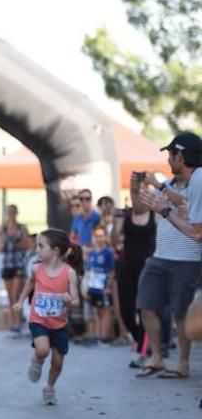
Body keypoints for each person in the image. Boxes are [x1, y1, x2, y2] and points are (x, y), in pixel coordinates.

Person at [132, 149, 202, 379]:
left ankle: (182, 364)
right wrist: (136, 189)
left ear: (181, 157)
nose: (168, 160)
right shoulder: (168, 183)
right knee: (146, 304)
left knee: (180, 311)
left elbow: (186, 203)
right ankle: (157, 358)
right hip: (160, 256)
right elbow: (140, 209)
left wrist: (161, 188)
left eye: (171, 156)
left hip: (187, 258)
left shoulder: (196, 182)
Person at [13, 229, 83, 405]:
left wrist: (69, 299)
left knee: (58, 363)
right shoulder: (36, 268)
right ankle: (37, 360)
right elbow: (29, 285)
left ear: (55, 251)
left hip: (59, 324)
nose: (37, 249)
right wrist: (20, 301)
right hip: (39, 319)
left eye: (41, 246)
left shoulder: (69, 273)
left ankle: (49, 387)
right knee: (43, 349)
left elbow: (76, 300)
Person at [113, 180, 156, 366]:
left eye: (146, 193)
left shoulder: (156, 216)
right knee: (125, 312)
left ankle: (142, 351)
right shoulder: (126, 215)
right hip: (126, 268)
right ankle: (144, 342)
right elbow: (114, 241)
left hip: (147, 270)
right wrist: (117, 223)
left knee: (144, 310)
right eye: (138, 193)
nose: (141, 197)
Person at [0, 205, 31, 336]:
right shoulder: (3, 228)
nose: (11, 214)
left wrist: (16, 241)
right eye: (9, 212)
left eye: (13, 212)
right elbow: (0, 248)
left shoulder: (21, 228)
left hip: (18, 264)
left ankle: (19, 321)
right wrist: (3, 238)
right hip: (7, 264)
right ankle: (14, 323)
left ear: (17, 213)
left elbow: (27, 244)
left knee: (16, 294)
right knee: (10, 296)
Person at [84, 225, 116, 345]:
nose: (99, 239)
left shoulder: (107, 253)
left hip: (103, 287)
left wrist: (108, 287)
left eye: (101, 236)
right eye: (97, 236)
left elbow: (112, 272)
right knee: (97, 311)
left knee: (106, 311)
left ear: (105, 237)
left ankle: (104, 337)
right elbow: (89, 271)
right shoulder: (91, 254)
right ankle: (98, 336)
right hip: (93, 288)